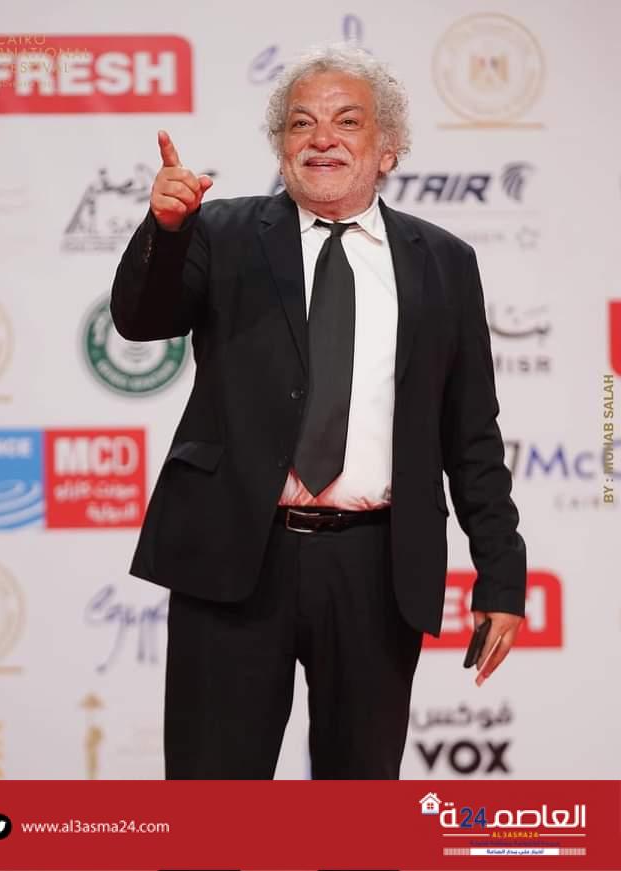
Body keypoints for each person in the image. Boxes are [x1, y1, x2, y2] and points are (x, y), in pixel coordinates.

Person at [111, 43, 526, 783]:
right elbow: (142, 319)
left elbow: (471, 434)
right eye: (301, 123)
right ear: (282, 147)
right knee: (209, 814)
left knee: (356, 817)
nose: (321, 138)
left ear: (388, 148)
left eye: (347, 121)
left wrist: (500, 574)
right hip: (235, 557)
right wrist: (165, 231)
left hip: (376, 569)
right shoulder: (222, 232)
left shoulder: (444, 261)